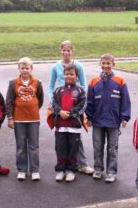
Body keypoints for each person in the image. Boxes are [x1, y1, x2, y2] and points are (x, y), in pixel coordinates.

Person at [48, 40, 94, 175]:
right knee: (62, 138)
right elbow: (51, 86)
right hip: (60, 105)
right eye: (64, 50)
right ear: (60, 50)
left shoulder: (78, 65)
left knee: (76, 137)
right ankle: (65, 166)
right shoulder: (55, 67)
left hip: (75, 104)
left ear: (72, 50)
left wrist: (80, 101)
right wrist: (53, 101)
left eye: (69, 50)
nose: (66, 52)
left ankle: (81, 164)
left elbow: (84, 85)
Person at [86, 54, 131, 183]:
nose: (106, 66)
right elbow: (89, 101)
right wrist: (89, 117)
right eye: (103, 63)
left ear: (113, 64)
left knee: (112, 148)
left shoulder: (120, 81)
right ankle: (98, 169)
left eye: (108, 63)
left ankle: (111, 172)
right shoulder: (94, 81)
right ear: (100, 64)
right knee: (97, 146)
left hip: (113, 121)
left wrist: (124, 117)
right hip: (97, 120)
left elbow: (125, 101)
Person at [6, 57, 44, 181]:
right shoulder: (13, 83)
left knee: (34, 146)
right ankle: (22, 169)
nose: (25, 70)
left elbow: (40, 99)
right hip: (19, 120)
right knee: (21, 146)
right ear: (19, 69)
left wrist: (32, 108)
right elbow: (9, 101)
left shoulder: (37, 83)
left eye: (27, 68)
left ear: (31, 69)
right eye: (22, 68)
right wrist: (10, 118)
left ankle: (35, 170)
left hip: (33, 120)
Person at [52, 64, 86, 182]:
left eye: (72, 74)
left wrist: (70, 113)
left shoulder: (80, 91)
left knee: (73, 150)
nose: (69, 76)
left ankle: (71, 170)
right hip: (60, 126)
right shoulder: (58, 90)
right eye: (67, 74)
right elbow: (54, 104)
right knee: (60, 149)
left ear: (76, 76)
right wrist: (60, 111)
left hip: (74, 127)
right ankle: (61, 170)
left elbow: (81, 106)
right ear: (63, 75)